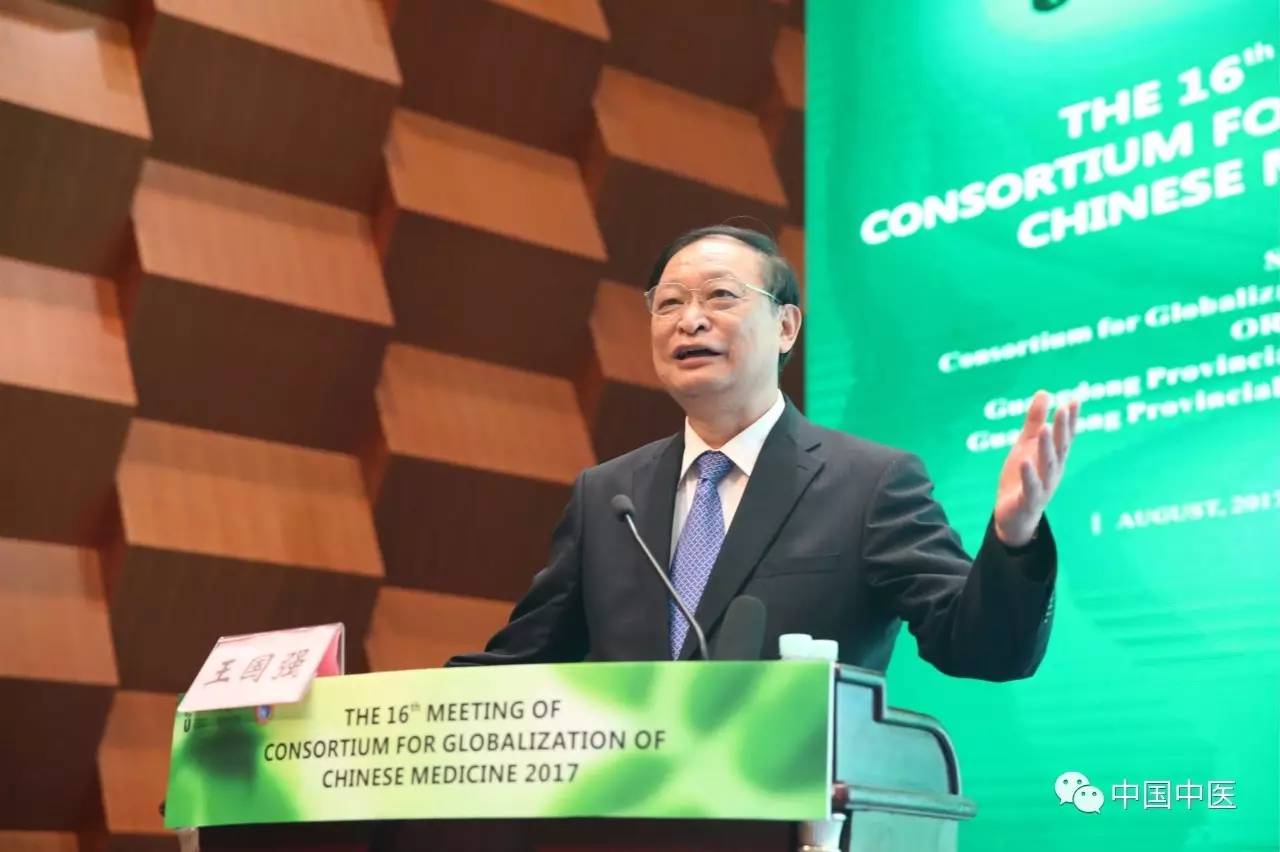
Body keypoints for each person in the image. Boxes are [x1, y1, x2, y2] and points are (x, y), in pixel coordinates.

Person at [449, 225, 1078, 680]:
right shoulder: (608, 496)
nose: (689, 320)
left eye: (720, 296)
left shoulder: (870, 483)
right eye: (669, 303)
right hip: (628, 812)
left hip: (791, 807)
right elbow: (520, 665)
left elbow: (981, 648)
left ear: (785, 327)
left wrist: (1014, 538)